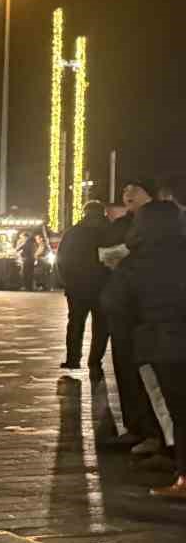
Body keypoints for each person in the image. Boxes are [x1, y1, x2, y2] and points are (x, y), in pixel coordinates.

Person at [103, 200, 186, 497]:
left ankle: (184, 479)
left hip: (163, 346)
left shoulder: (136, 262)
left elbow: (115, 304)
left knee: (180, 413)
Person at [102, 178, 163, 453]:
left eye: (134, 188)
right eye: (125, 189)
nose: (127, 193)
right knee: (125, 368)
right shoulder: (121, 224)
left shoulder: (159, 224)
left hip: (147, 310)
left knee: (149, 373)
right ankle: (135, 427)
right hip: (120, 307)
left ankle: (156, 434)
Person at [57, 200, 118, 374]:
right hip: (104, 286)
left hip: (78, 287)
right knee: (101, 326)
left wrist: (66, 281)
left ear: (85, 212)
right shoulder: (110, 231)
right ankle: (95, 360)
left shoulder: (74, 232)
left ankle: (73, 359)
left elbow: (62, 259)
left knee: (75, 323)